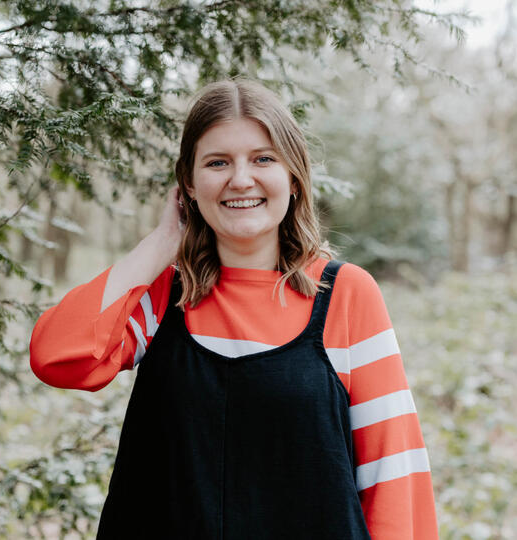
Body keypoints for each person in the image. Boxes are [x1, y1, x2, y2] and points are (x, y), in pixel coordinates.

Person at [30, 78, 438, 539]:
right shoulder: (165, 295)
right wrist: (162, 242)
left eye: (263, 159)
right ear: (188, 183)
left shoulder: (345, 295)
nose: (240, 179)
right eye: (217, 162)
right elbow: (57, 358)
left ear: (293, 177)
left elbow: (394, 475)